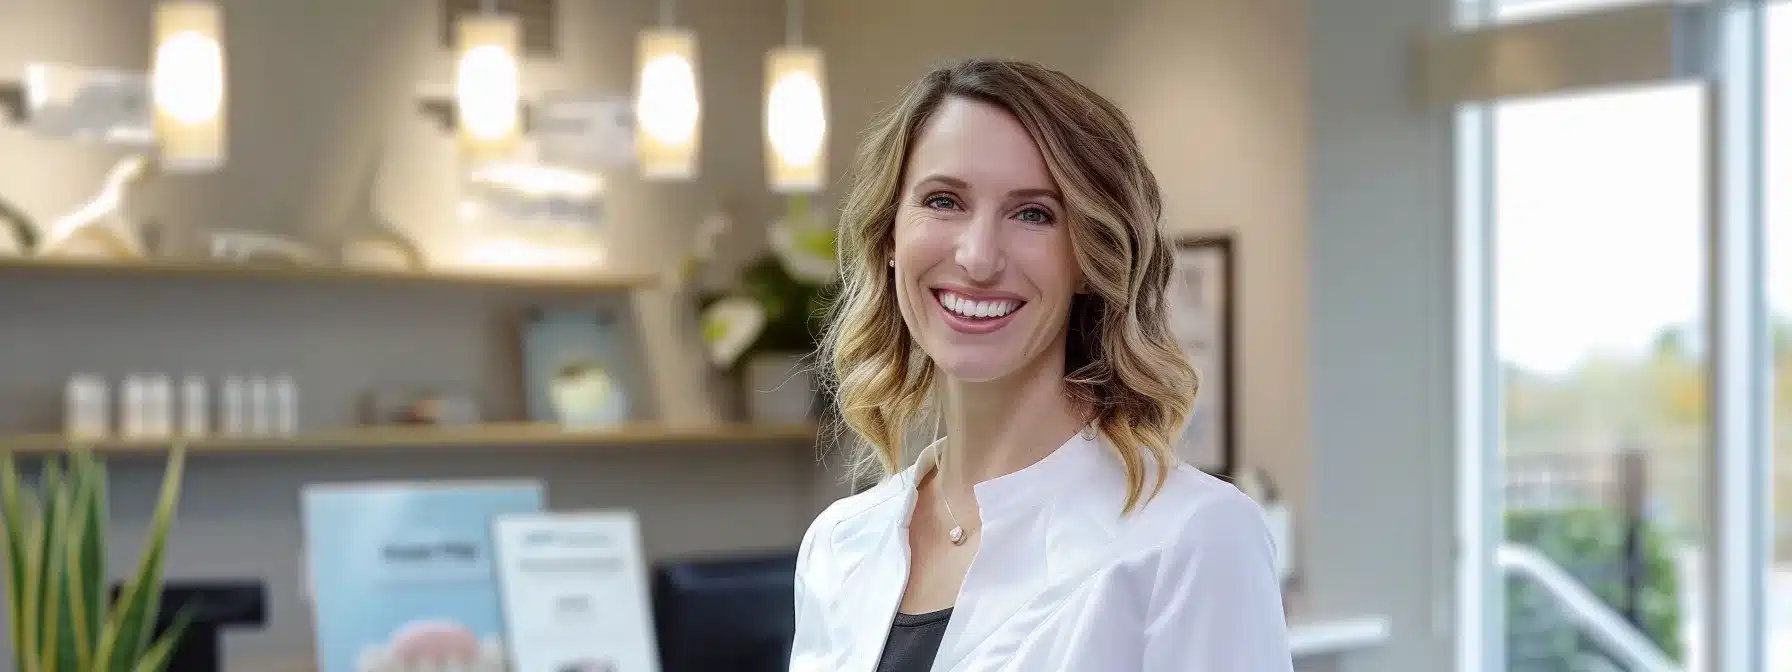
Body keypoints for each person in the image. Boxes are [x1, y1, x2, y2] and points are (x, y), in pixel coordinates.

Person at [790, 58, 1292, 671]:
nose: (977, 257)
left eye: (1033, 213)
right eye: (944, 201)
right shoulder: (838, 545)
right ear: (891, 237)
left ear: (1090, 257)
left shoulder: (1194, 538)